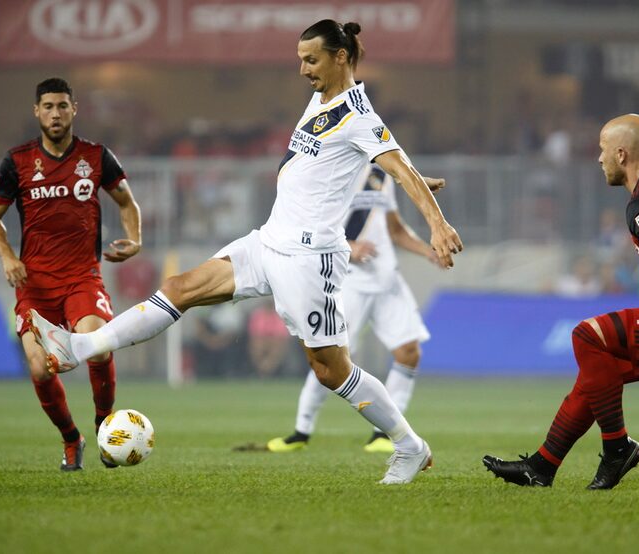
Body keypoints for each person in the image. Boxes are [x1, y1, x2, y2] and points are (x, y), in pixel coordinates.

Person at [27, 20, 463, 485]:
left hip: (307, 259)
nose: (302, 69)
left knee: (332, 371)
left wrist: (436, 221)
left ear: (340, 58)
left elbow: (394, 163)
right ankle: (81, 346)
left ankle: (409, 446)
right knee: (181, 288)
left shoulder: (359, 116)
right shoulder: (323, 99)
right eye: (300, 59)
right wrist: (410, 174)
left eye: (311, 59)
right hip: (268, 240)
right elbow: (361, 164)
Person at [483, 114, 639, 489]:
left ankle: (618, 449)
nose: (598, 159)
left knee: (587, 336)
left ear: (621, 154)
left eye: (602, 150)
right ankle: (541, 466)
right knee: (599, 376)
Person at [0, 78, 142, 471]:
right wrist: (6, 256)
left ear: (75, 109)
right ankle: (72, 439)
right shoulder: (17, 162)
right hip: (34, 283)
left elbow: (126, 201)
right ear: (37, 112)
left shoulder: (96, 156)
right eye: (48, 107)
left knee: (98, 345)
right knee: (38, 366)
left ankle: (105, 426)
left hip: (81, 277)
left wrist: (134, 239)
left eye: (62, 106)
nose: (55, 113)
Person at [266, 164, 438, 454]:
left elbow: (395, 229)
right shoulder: (330, 173)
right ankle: (300, 432)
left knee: (409, 352)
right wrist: (349, 245)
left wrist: (429, 252)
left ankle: (383, 434)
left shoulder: (382, 174)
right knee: (329, 356)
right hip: (349, 281)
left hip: (387, 280)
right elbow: (304, 226)